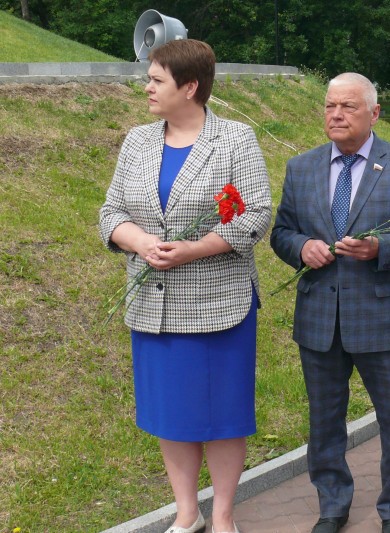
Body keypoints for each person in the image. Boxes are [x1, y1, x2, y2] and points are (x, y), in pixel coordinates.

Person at [99, 39, 272, 533]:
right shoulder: (137, 141)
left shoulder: (235, 139)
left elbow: (256, 214)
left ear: (190, 87)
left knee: (222, 416)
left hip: (219, 307)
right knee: (170, 415)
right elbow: (110, 213)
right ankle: (187, 514)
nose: (147, 87)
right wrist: (139, 241)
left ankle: (222, 518)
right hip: (153, 307)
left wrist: (195, 248)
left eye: (157, 80)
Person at [270, 72, 390, 533]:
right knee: (324, 421)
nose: (336, 114)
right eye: (330, 106)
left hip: (384, 319)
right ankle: (332, 505)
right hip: (320, 318)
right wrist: (301, 247)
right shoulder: (300, 168)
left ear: (374, 113)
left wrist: (381, 249)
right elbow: (281, 232)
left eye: (348, 106)